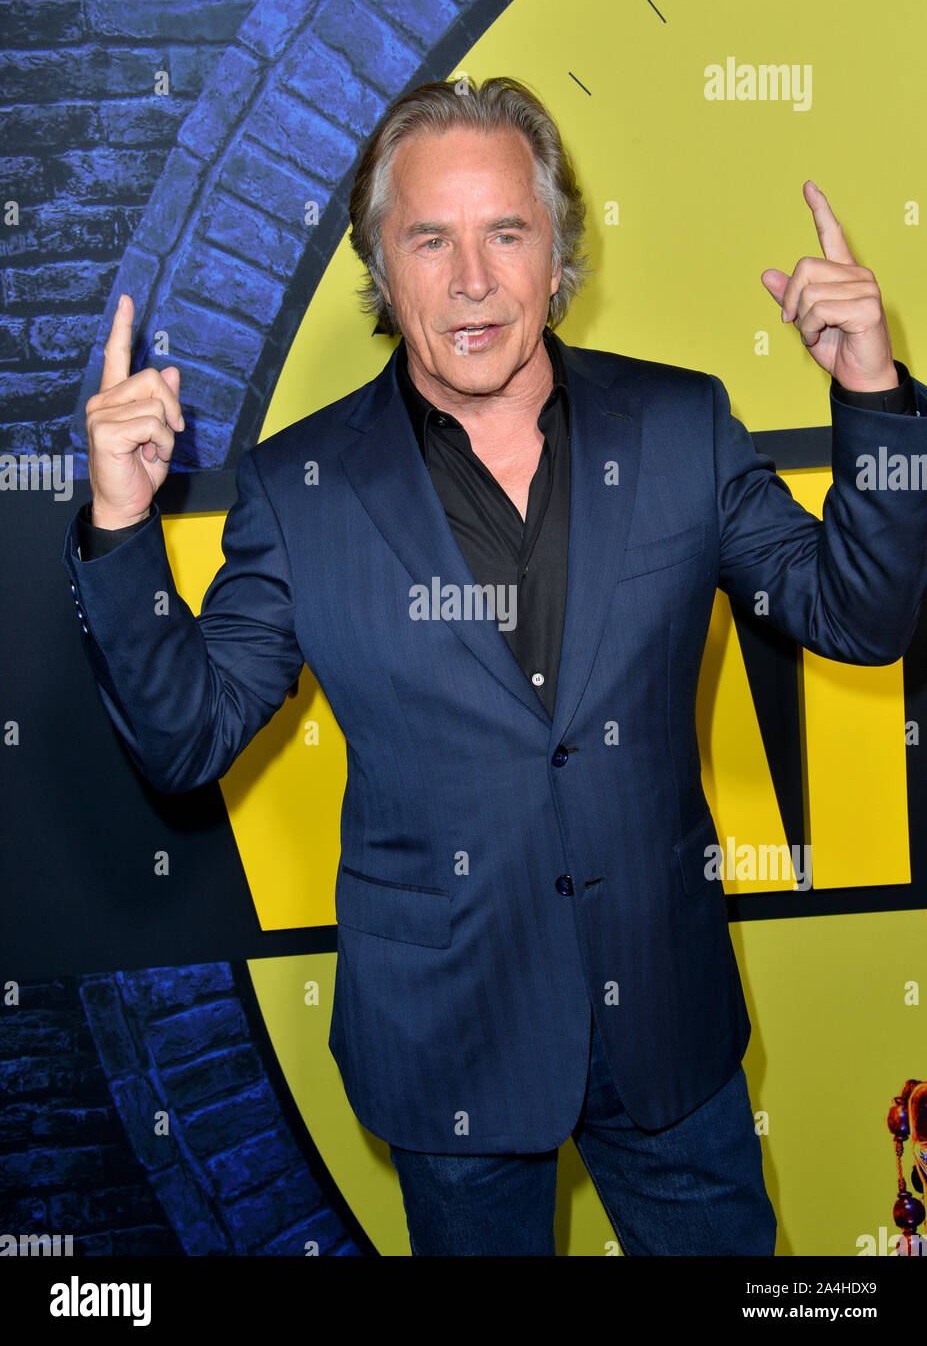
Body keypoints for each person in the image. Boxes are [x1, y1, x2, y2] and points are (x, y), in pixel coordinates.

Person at [63, 77, 927, 1256]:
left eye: (505, 233)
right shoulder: (299, 486)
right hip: (449, 1039)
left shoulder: (682, 428)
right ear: (383, 263)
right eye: (431, 238)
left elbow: (863, 613)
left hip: (666, 1023)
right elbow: (186, 738)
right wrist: (120, 526)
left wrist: (870, 393)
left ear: (556, 256)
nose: (472, 280)